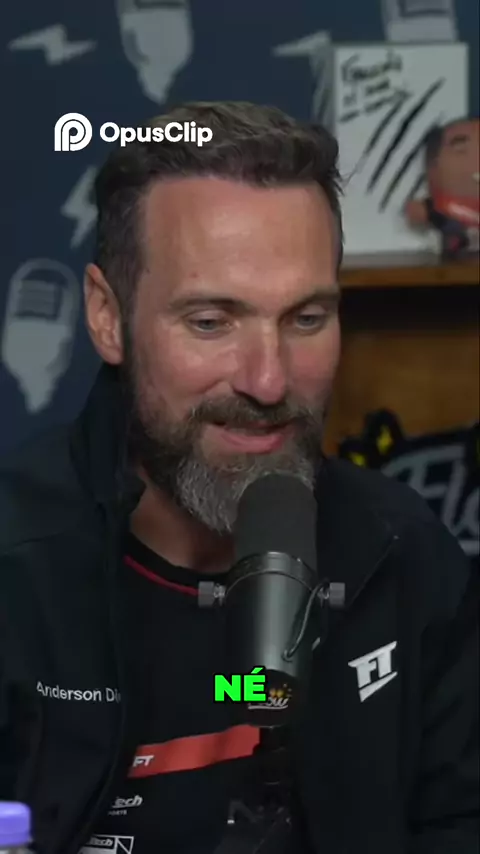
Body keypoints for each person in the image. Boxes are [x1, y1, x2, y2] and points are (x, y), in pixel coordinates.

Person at [0, 102, 478, 854]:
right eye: (211, 322)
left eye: (305, 319)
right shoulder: (19, 572)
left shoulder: (404, 557)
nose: (268, 380)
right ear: (106, 316)